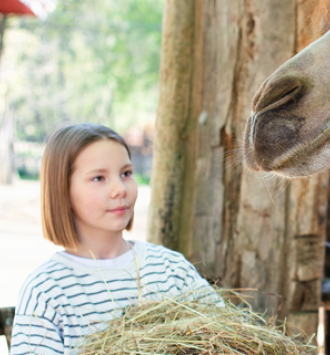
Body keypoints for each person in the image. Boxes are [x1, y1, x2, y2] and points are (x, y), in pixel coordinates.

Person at [11, 123, 221, 355]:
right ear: (63, 190)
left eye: (126, 174)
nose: (120, 189)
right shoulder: (46, 290)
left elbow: (224, 336)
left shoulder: (170, 270)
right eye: (99, 178)